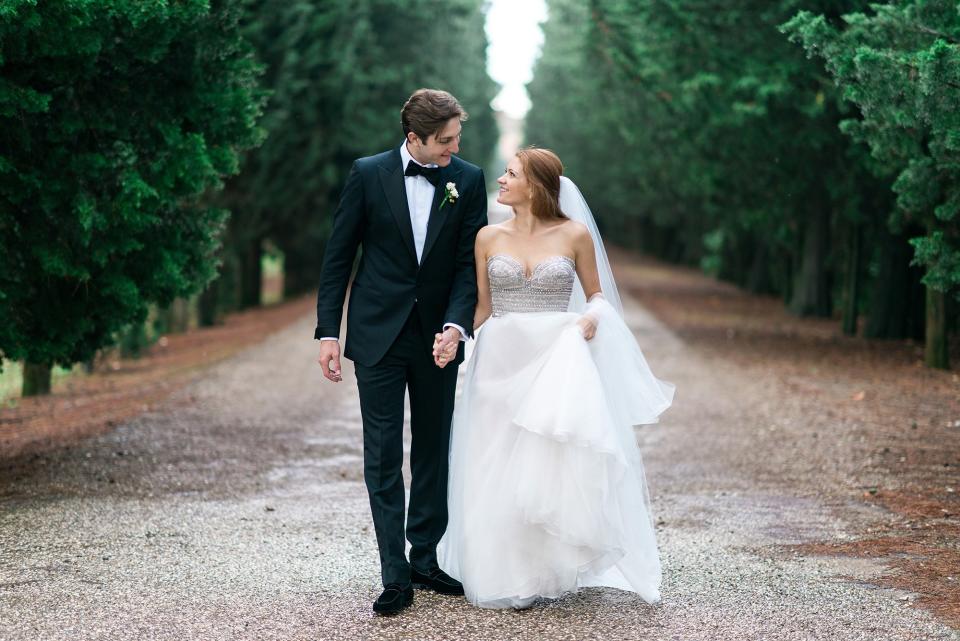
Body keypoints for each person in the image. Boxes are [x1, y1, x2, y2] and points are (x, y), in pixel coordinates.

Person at [434, 147, 675, 609]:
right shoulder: (487, 237)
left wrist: (590, 319)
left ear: (537, 186)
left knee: (543, 464)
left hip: (554, 358)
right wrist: (454, 336)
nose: (501, 181)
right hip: (499, 362)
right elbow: (482, 307)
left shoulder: (575, 234)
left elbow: (598, 296)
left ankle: (538, 570)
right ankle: (500, 571)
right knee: (493, 461)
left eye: (511, 174)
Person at [314, 89, 487, 615]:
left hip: (438, 338)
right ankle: (394, 575)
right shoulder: (367, 174)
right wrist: (327, 332)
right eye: (446, 140)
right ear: (414, 137)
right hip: (377, 336)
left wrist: (456, 326)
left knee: (434, 446)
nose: (454, 149)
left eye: (457, 139)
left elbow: (466, 266)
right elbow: (339, 255)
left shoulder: (468, 179)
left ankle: (425, 558)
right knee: (383, 453)